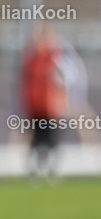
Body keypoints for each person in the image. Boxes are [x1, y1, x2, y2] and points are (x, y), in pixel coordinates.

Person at [20, 23, 69, 177]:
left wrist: (61, 101)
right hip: (35, 106)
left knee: (51, 138)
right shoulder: (31, 58)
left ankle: (52, 168)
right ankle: (35, 168)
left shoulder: (54, 57)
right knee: (36, 138)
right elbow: (26, 82)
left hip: (50, 106)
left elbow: (62, 80)